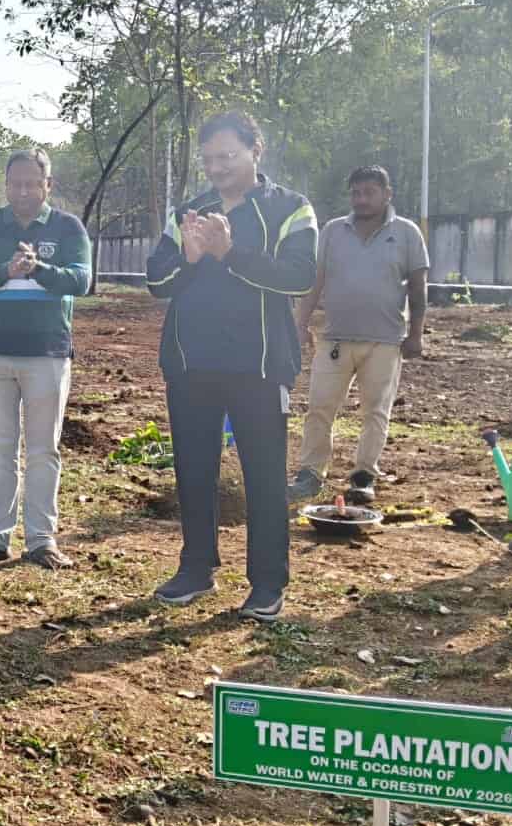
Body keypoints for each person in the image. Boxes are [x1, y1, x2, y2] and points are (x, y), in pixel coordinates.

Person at [145, 112, 317, 623]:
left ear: (255, 149)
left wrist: (229, 252)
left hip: (259, 365)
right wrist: (194, 256)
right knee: (193, 470)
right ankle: (196, 567)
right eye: (210, 159)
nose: (217, 167)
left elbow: (299, 277)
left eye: (228, 156)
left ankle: (267, 582)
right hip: (191, 363)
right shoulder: (189, 211)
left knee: (264, 477)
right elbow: (157, 282)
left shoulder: (291, 208)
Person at [0, 150, 91, 569]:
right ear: (6, 184)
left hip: (46, 353)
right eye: (15, 183)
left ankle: (41, 539)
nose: (23, 191)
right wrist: (5, 270)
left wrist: (39, 269)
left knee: (43, 450)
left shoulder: (68, 227)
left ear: (48, 184)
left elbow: (82, 279)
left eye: (33, 183)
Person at [289, 166, 428, 505]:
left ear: (387, 194)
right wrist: (300, 324)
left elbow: (419, 289)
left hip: (386, 340)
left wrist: (416, 335)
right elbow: (314, 282)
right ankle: (310, 474)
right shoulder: (333, 231)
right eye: (356, 193)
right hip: (335, 339)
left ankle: (364, 476)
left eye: (369, 192)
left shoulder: (407, 233)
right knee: (320, 406)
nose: (362, 199)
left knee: (376, 411)